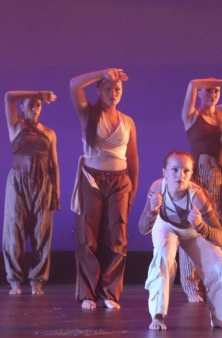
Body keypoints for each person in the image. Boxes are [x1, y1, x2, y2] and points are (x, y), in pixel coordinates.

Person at [140, 150, 222, 330]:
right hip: (166, 227)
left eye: (186, 171)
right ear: (165, 173)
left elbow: (220, 237)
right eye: (175, 170)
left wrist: (200, 225)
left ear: (191, 173)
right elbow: (142, 229)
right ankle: (158, 316)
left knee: (219, 266)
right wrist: (153, 212)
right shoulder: (157, 188)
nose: (180, 175)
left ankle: (219, 317)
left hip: (194, 231)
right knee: (163, 256)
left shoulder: (197, 196)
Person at [69, 68, 139, 309]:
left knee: (117, 237)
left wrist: (133, 191)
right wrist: (102, 73)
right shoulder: (89, 114)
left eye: (117, 89)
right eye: (107, 88)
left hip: (119, 182)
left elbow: (133, 160)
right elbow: (74, 85)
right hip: (92, 179)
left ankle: (109, 292)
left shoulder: (127, 121)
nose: (113, 93)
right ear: (98, 89)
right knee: (88, 238)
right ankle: (88, 294)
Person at [179, 78, 222, 302]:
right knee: (192, 228)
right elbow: (192, 83)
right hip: (198, 178)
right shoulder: (192, 116)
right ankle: (190, 284)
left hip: (219, 178)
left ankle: (215, 280)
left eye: (217, 91)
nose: (214, 94)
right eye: (210, 91)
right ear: (201, 94)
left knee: (217, 229)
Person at [2, 91, 60, 296]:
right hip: (18, 182)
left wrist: (56, 192)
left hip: (43, 183)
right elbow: (8, 96)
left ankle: (37, 280)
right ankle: (15, 280)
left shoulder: (49, 133)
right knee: (14, 230)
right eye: (31, 104)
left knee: (41, 232)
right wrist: (38, 93)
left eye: (38, 105)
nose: (35, 108)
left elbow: (54, 164)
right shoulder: (16, 126)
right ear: (23, 107)